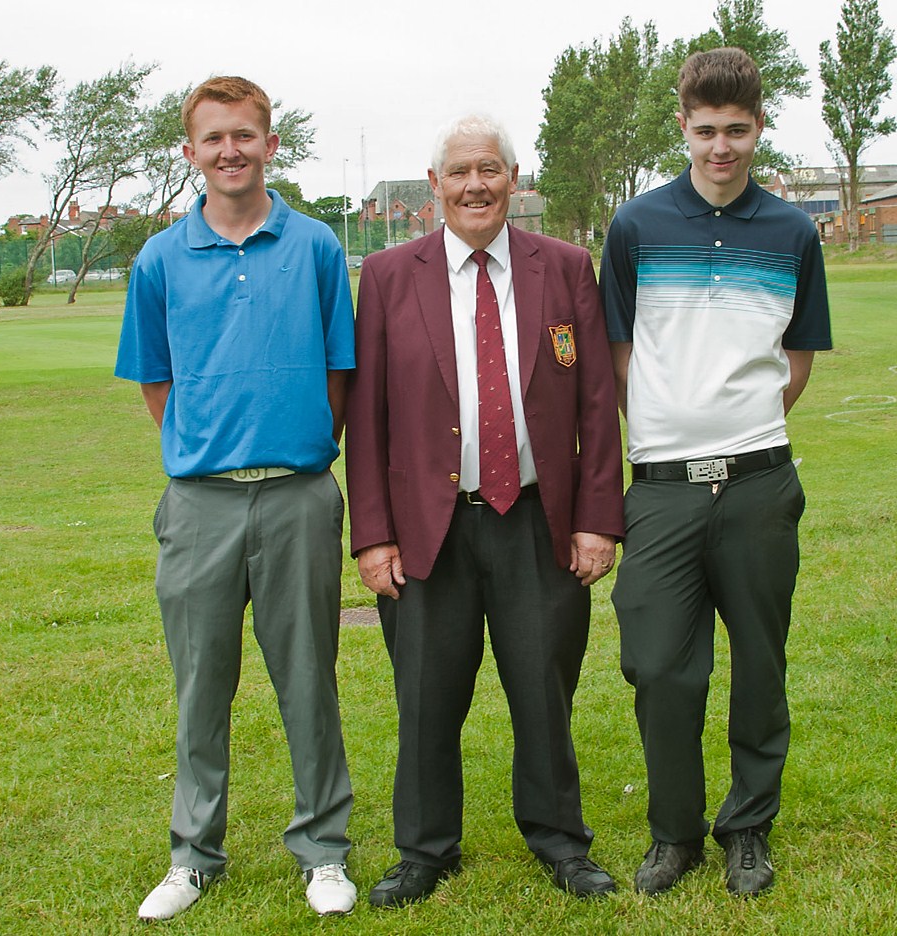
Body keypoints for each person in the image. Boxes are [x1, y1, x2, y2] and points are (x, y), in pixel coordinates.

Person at [345, 114, 625, 907]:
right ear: (435, 185)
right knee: (427, 698)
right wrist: (373, 536)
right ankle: (424, 850)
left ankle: (561, 842)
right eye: (460, 172)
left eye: (490, 170)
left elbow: (597, 401)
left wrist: (597, 518)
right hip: (427, 532)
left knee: (544, 691)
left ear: (513, 179)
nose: (476, 186)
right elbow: (367, 418)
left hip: (537, 522)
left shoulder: (564, 268)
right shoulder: (390, 276)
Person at [114, 76, 358, 921]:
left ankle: (323, 849)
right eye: (214, 138)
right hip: (200, 505)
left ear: (270, 144)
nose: (230, 151)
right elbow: (156, 382)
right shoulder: (159, 258)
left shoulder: (316, 246)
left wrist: (296, 447)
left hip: (298, 497)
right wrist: (208, 452)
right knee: (200, 686)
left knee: (308, 680)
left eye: (244, 135)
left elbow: (338, 373)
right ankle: (193, 855)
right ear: (190, 151)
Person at [600, 48, 832, 898]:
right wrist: (672, 425)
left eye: (737, 130)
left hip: (760, 483)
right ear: (683, 127)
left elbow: (796, 359)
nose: (721, 147)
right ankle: (675, 834)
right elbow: (620, 352)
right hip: (663, 488)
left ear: (758, 126)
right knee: (661, 666)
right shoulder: (635, 227)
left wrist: (742, 427)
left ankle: (748, 828)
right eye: (706, 131)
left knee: (760, 666)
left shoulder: (793, 232)